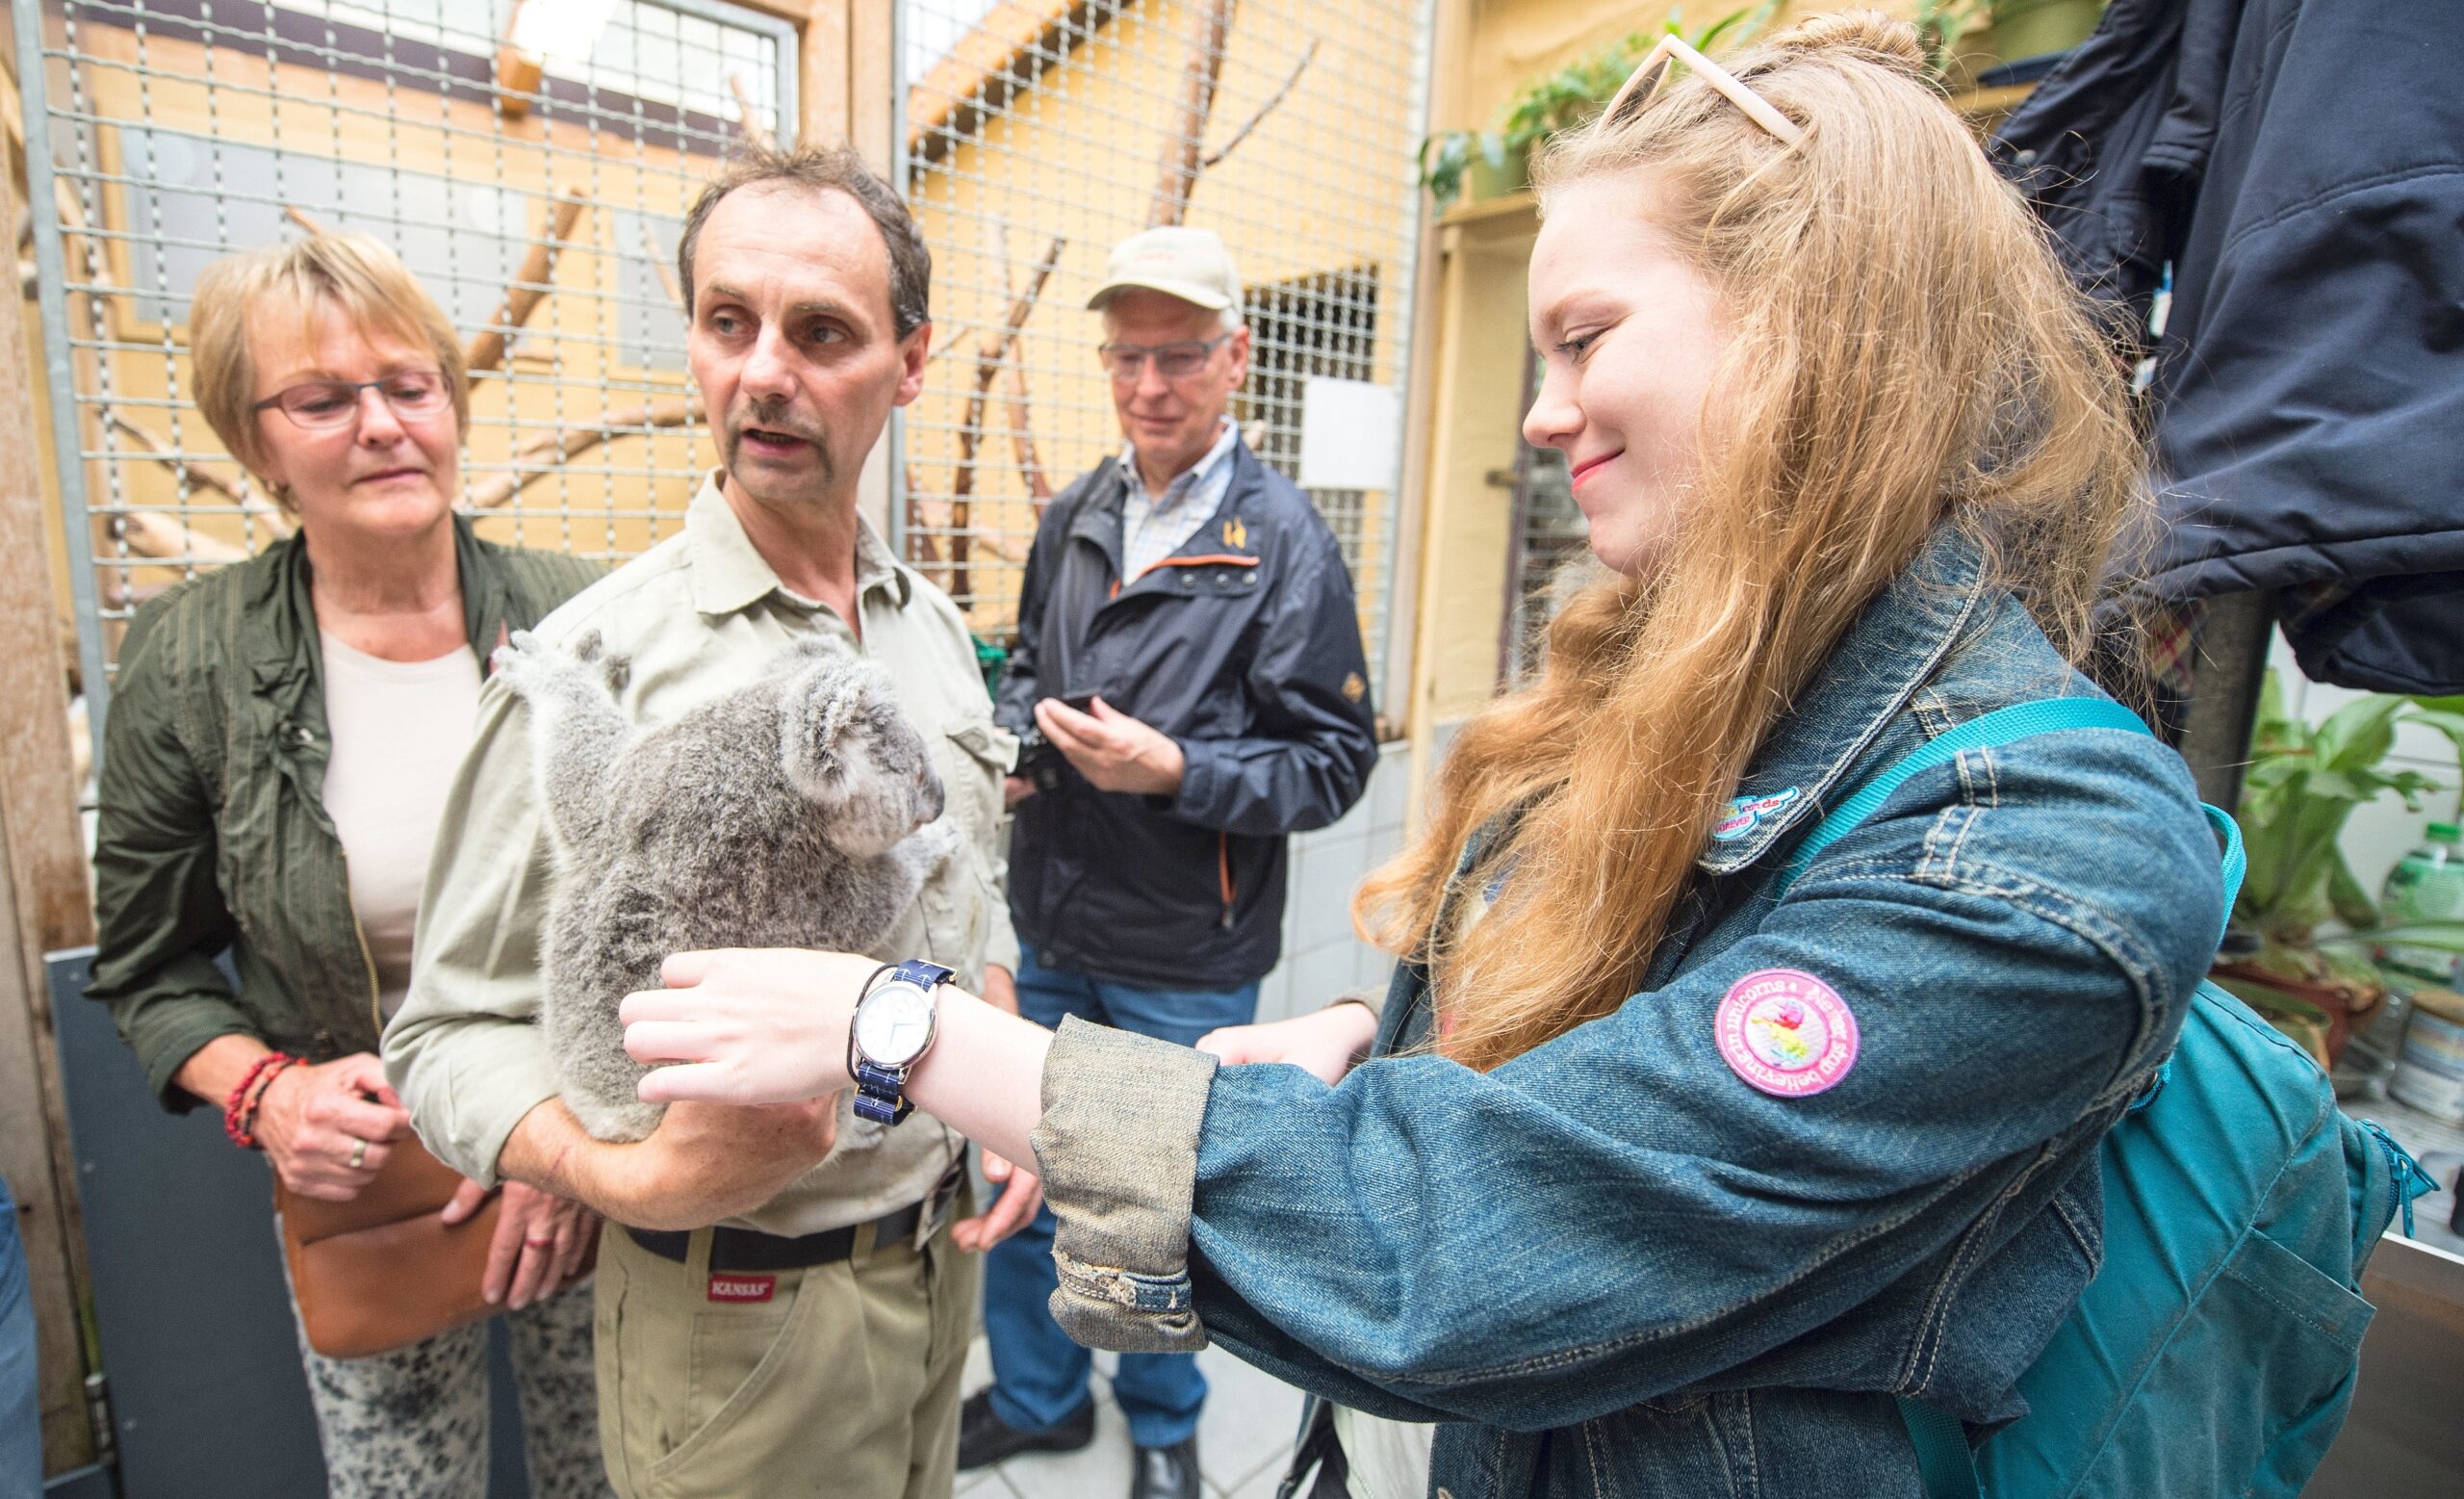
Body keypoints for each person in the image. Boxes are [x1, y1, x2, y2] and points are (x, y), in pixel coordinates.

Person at [606, 13, 2230, 1499]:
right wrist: (1356, 1047)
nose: (1543, 411)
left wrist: (914, 1011)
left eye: (1587, 337)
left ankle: (1162, 1447)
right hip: (1086, 936)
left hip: (1189, 938)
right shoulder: (1103, 526)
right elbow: (1622, 1035)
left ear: (1814, 329)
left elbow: (1483, 1223)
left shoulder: (2029, 845)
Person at [382, 144, 1036, 1499]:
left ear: (910, 363)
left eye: (822, 333)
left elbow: (965, 871)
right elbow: (442, 1032)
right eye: (728, 322)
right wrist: (615, 1171)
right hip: (737, 1316)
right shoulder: (604, 661)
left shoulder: (926, 631)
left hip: (935, 1266)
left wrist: (1004, 1063)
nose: (764, 372)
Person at [86, 234, 608, 1499]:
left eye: (410, 385)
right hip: (373, 1179)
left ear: (451, 404)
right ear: (258, 443)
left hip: (586, 1152)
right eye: (323, 400)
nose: (380, 425)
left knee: (618, 1471)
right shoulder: (191, 656)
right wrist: (268, 1094)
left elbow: (667, 906)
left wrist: (587, 1128)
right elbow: (147, 965)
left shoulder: (586, 615)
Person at [971, 224, 1379, 1497]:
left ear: (1236, 358)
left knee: (1148, 1203)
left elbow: (1332, 763)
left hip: (1183, 950)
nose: (1150, 386)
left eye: (1181, 356)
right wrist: (1018, 746)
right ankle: (1038, 1397)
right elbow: (1033, 671)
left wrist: (1179, 773)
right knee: (1019, 1171)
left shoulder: (1287, 544)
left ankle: (1160, 1418)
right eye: (1128, 357)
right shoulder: (1079, 513)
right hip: (1054, 920)